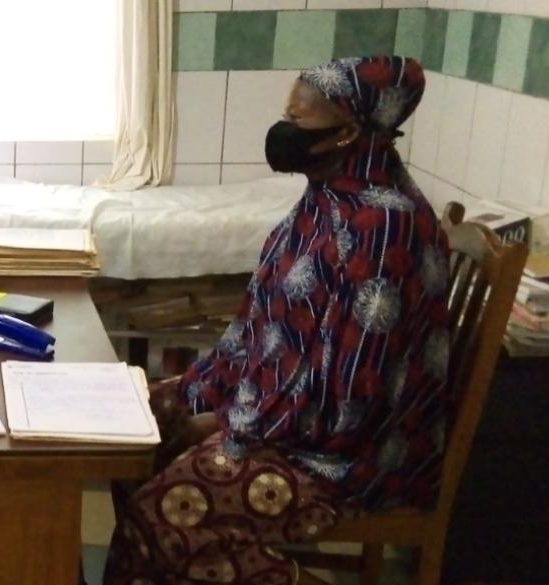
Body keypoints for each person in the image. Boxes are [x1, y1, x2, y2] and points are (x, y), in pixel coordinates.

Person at [105, 56, 451, 585]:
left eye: (301, 120)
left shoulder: (383, 229)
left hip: (345, 456)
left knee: (165, 513)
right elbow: (260, 331)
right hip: (281, 409)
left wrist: (225, 424)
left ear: (350, 132)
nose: (284, 130)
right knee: (125, 427)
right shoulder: (326, 199)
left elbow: (350, 395)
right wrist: (209, 395)